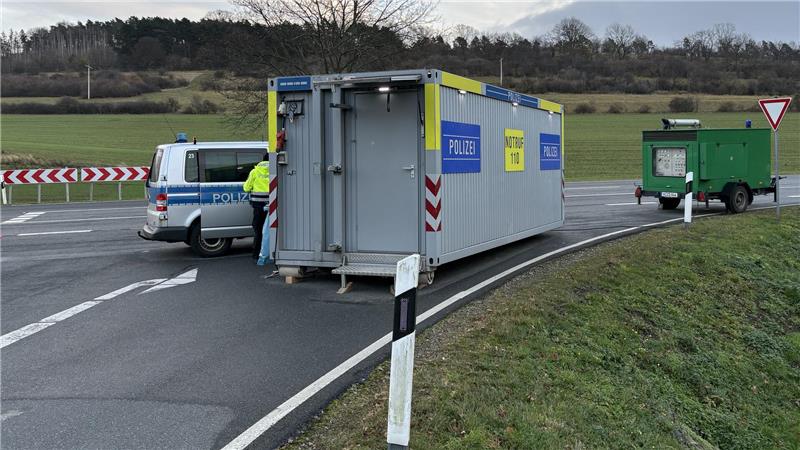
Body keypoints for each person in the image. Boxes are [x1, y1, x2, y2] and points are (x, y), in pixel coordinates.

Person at [243, 154, 270, 259]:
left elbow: (246, 188)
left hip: (258, 206)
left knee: (258, 230)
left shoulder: (254, 171)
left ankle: (256, 254)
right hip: (272, 205)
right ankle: (271, 253)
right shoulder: (275, 171)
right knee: (270, 230)